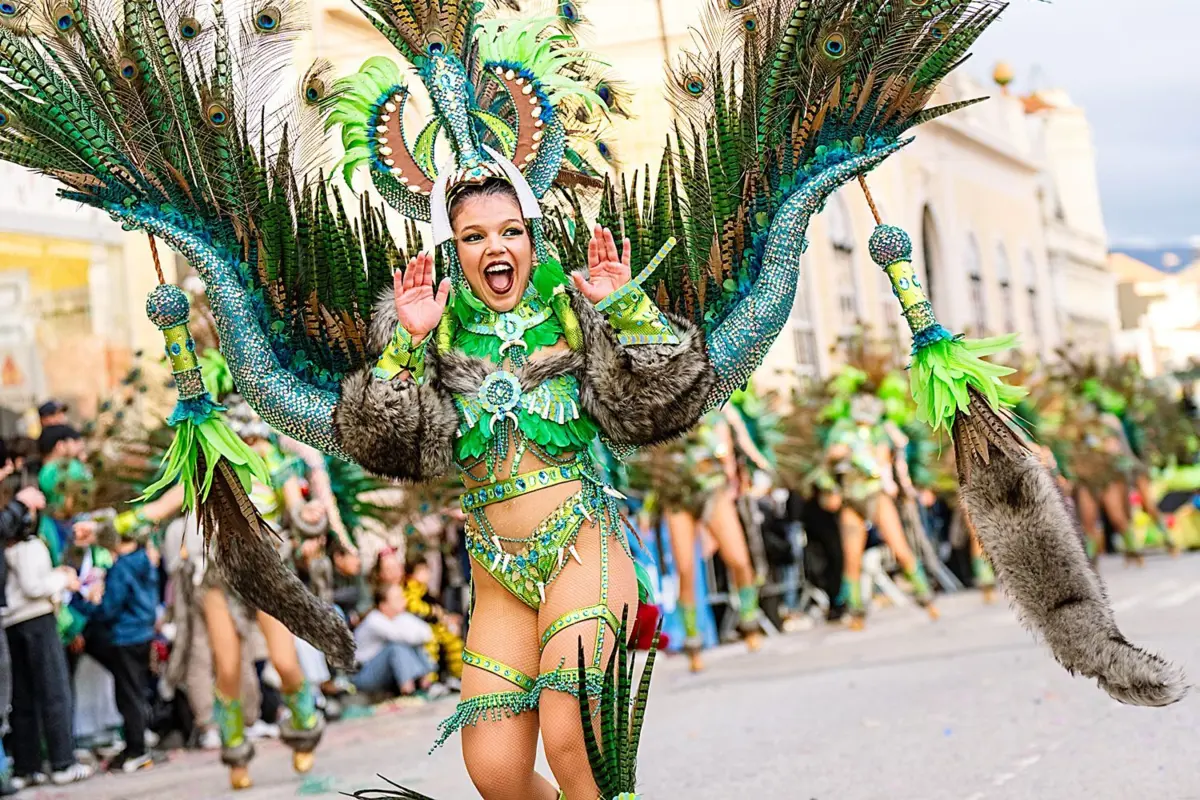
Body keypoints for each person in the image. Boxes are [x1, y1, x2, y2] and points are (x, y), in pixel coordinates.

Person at [3, 515, 93, 786]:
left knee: (23, 698)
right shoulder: (30, 546)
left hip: (11, 624)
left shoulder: (5, 548)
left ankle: (26, 767)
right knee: (55, 691)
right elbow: (34, 587)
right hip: (38, 619)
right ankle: (63, 762)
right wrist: (62, 579)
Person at [76, 525, 162, 773]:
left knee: (128, 694)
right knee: (136, 690)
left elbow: (109, 608)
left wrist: (84, 604)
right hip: (143, 634)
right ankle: (137, 744)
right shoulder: (144, 561)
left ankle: (136, 749)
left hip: (125, 636)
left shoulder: (122, 568)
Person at [352, 584, 437, 699]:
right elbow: (403, 637)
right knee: (396, 647)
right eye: (397, 598)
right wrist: (413, 634)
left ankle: (426, 684)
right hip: (363, 675)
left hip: (383, 673)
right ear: (383, 605)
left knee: (413, 644)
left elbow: (427, 633)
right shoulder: (374, 620)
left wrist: (414, 634)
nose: (403, 600)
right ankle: (407, 691)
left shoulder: (400, 617)